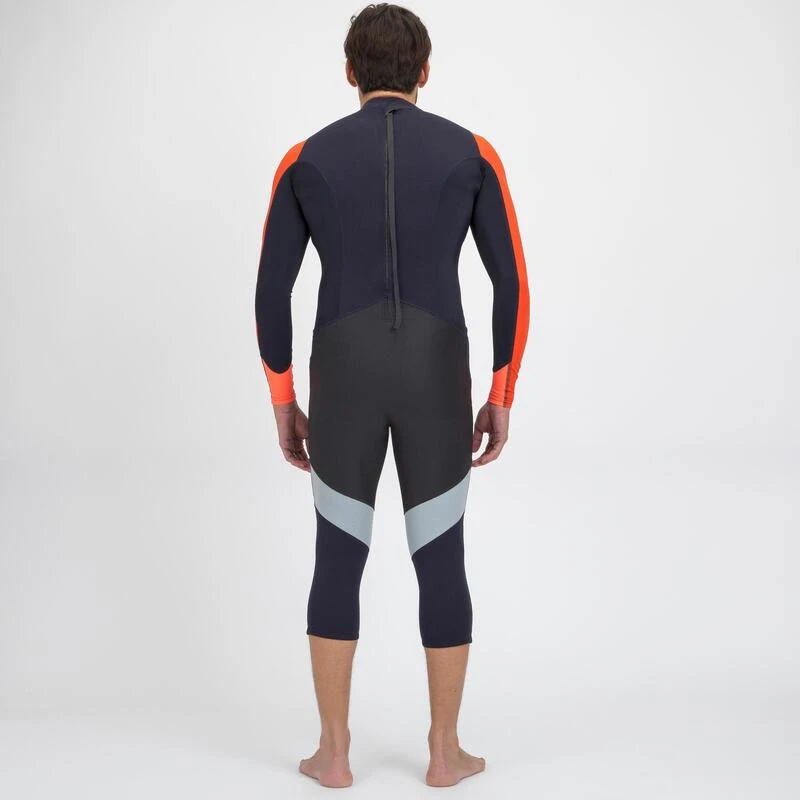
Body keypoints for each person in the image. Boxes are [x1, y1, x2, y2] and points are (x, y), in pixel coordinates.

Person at [254, 3, 530, 788]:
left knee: (337, 556)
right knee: (441, 559)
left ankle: (333, 753)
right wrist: (501, 391)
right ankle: (445, 753)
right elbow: (512, 283)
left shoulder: (304, 159)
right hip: (436, 372)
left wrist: (284, 398)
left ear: (350, 72)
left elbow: (271, 291)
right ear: (425, 72)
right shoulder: (473, 153)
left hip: (341, 371)